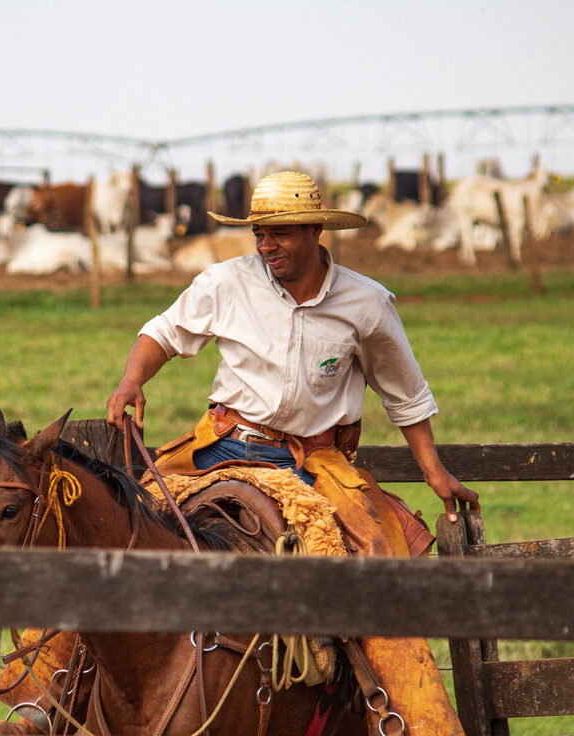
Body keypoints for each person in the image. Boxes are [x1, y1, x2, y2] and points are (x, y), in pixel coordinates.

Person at [106, 170, 479, 736]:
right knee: (119, 528)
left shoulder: (367, 303)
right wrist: (132, 380)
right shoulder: (225, 282)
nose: (265, 246)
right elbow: (164, 332)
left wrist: (433, 470)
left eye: (278, 233)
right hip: (218, 446)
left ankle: (415, 722)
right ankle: (38, 701)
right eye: (259, 233)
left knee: (376, 562)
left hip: (314, 464)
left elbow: (406, 392)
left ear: (314, 231)